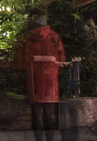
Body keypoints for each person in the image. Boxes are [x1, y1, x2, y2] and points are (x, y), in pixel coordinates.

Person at [15, 13, 66, 141]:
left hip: (34, 75)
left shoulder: (27, 38)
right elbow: (61, 55)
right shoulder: (54, 36)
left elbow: (20, 58)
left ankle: (38, 139)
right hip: (50, 77)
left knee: (36, 110)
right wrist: (58, 71)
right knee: (50, 110)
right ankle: (51, 138)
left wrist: (20, 70)